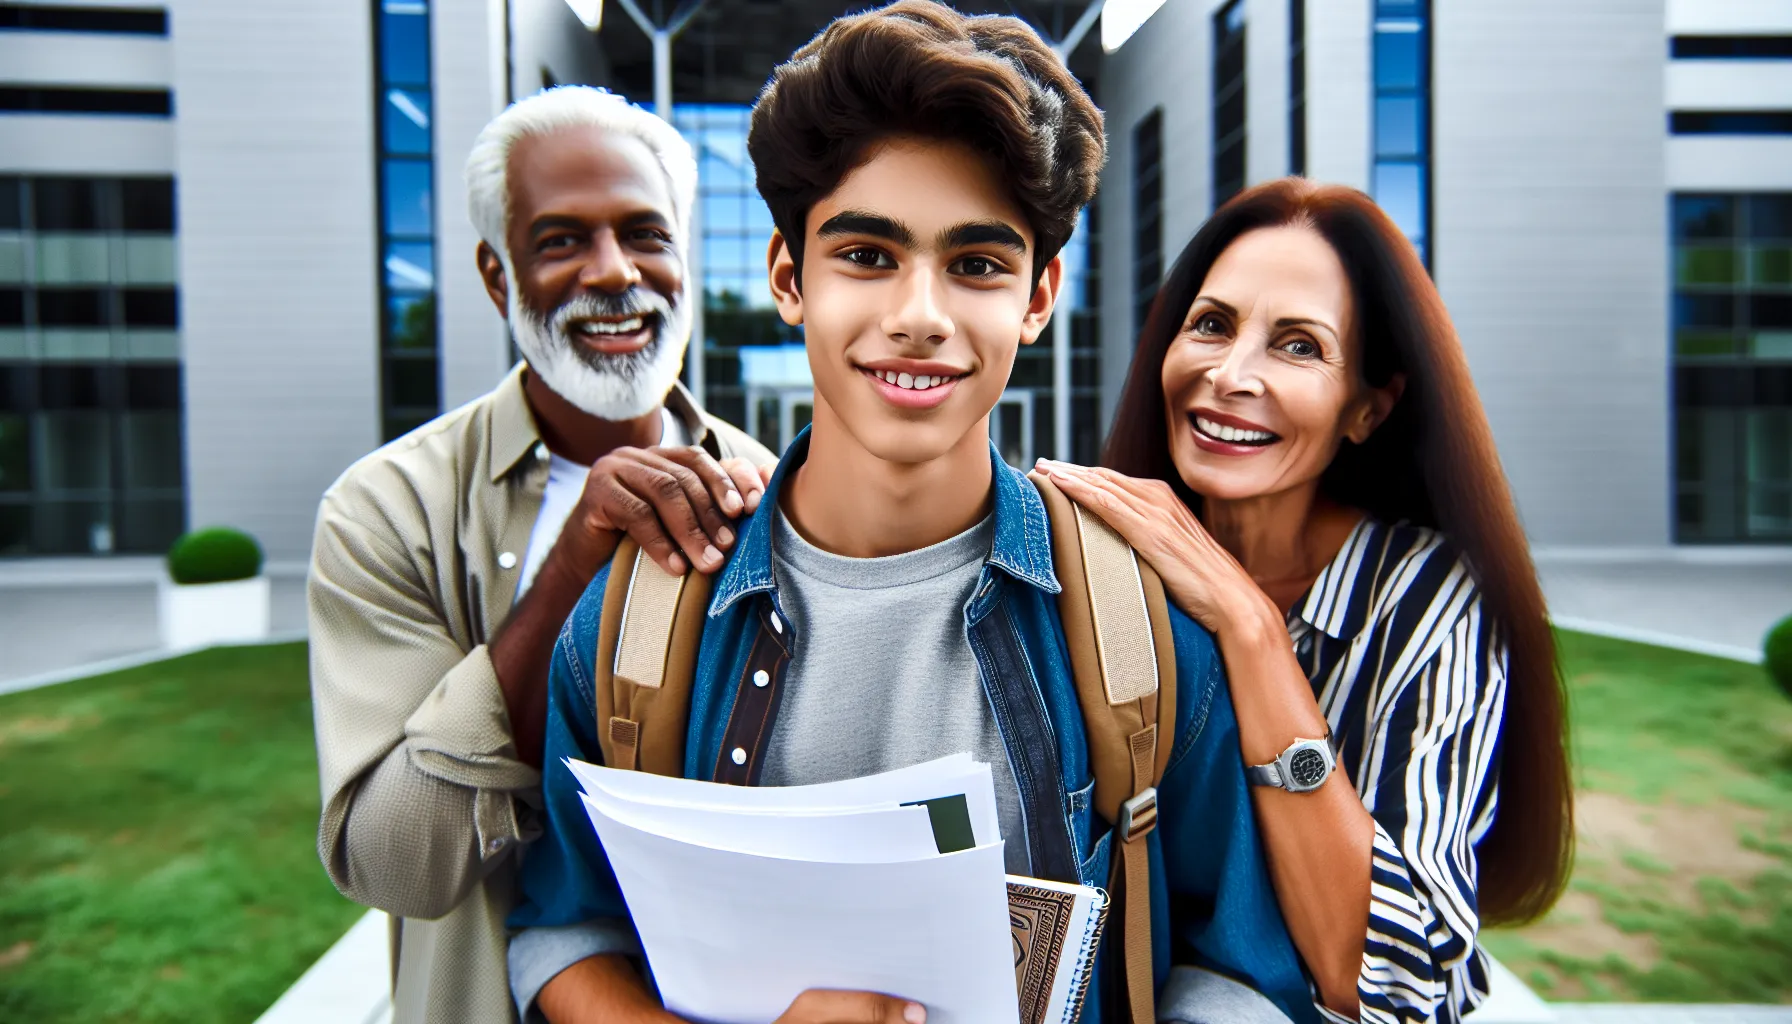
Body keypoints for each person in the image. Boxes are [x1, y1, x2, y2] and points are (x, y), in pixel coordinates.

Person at [505, 5, 1321, 1024]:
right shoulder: (640, 615)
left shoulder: (1138, 626)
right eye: (867, 255)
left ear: (1039, 295)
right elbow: (565, 928)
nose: (920, 315)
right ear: (786, 277)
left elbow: (1238, 969)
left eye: (977, 263)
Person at [1035, 177, 1574, 1024]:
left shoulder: (1426, 598)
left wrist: (1251, 630)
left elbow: (1382, 981)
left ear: (1368, 407)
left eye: (1298, 347)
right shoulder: (1101, 548)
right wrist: (763, 497)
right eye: (1211, 324)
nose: (1229, 374)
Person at [307, 86, 774, 1024]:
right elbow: (396, 862)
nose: (612, 273)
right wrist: (570, 566)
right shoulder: (386, 511)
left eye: (646, 234)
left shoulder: (768, 491)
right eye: (562, 240)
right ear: (497, 275)